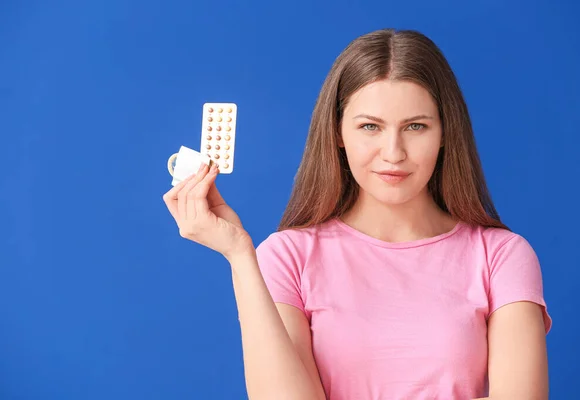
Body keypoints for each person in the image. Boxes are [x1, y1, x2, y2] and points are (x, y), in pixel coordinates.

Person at [163, 29, 552, 400]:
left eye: (415, 126)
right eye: (370, 127)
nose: (393, 152)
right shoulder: (287, 256)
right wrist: (239, 255)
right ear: (337, 133)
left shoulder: (502, 256)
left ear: (446, 132)